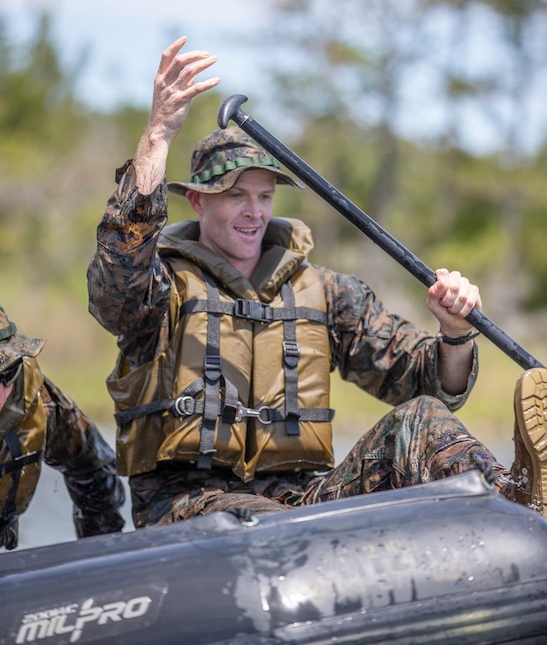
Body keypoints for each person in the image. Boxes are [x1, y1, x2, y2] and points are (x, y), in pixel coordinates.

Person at [87, 35, 547, 529]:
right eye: (235, 195)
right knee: (257, 521)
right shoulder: (161, 289)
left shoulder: (323, 291)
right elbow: (117, 280)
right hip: (188, 504)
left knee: (421, 423)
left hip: (297, 502)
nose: (253, 211)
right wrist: (157, 138)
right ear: (198, 201)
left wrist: (456, 333)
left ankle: (518, 503)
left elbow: (429, 381)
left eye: (264, 196)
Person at [0, 304, 126, 550]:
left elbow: (95, 471)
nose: (2, 393)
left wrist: (99, 559)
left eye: (7, 372)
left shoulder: (34, 400)